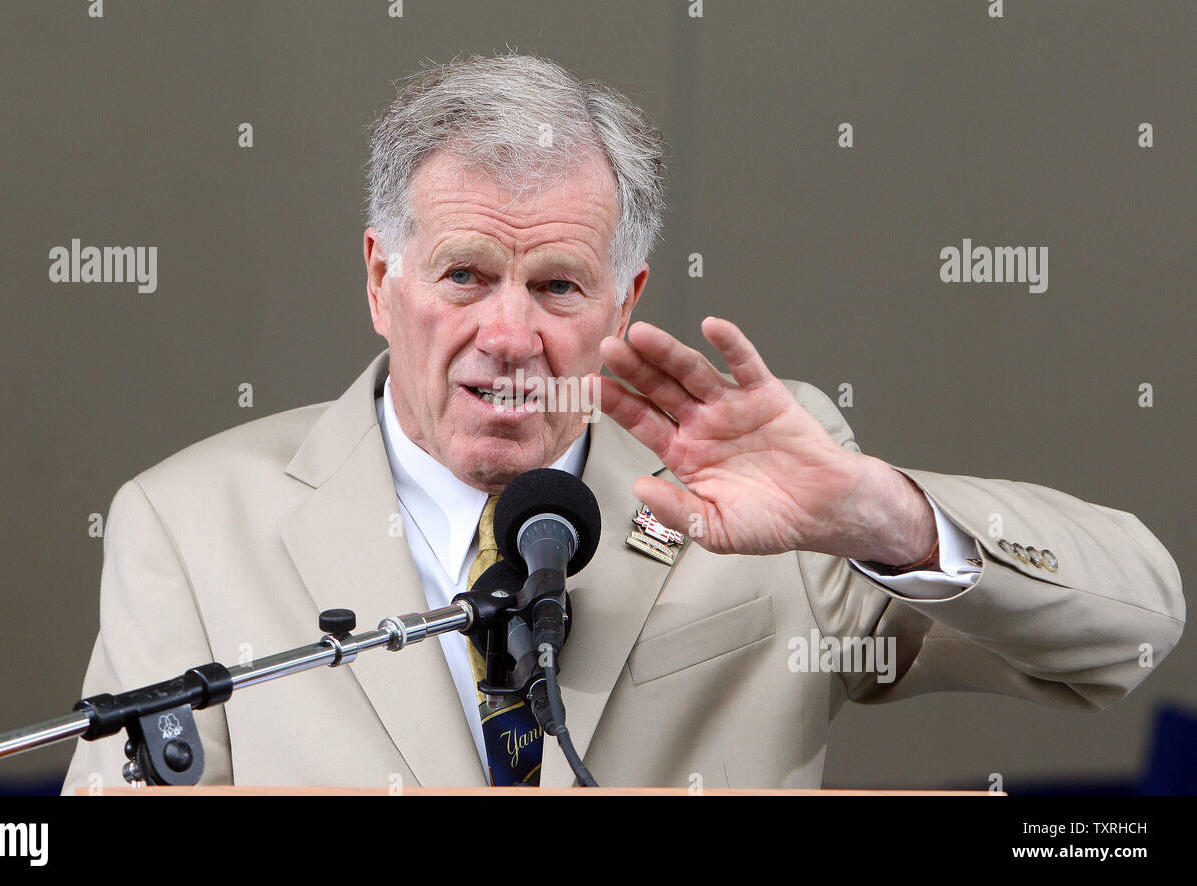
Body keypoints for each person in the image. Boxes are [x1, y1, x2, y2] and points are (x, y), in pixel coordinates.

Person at [62, 53, 1183, 793]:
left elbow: (1129, 630)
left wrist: (876, 512)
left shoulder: (773, 511)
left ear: (623, 302)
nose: (509, 332)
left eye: (556, 286)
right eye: (463, 274)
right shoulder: (190, 523)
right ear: (379, 278)